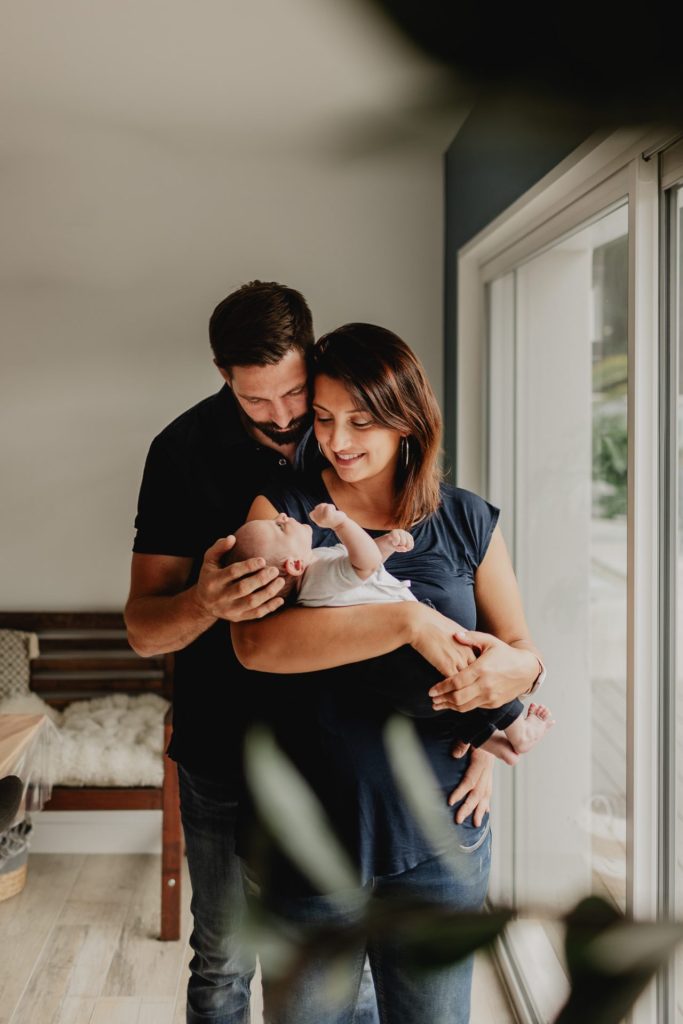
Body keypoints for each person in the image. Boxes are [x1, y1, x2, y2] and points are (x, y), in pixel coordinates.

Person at [123, 282, 524, 1024]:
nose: (289, 423)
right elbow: (154, 631)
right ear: (222, 378)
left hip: (371, 771)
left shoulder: (366, 443)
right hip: (228, 747)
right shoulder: (185, 454)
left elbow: (478, 619)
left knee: (369, 981)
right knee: (222, 964)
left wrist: (481, 733)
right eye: (255, 402)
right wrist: (203, 604)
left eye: (296, 397)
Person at [232, 322, 546, 1024]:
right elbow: (256, 647)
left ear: (408, 419)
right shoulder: (283, 513)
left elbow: (518, 647)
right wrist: (404, 622)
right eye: (323, 418)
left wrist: (508, 685)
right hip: (307, 837)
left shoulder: (465, 519)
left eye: (361, 420)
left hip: (439, 836)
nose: (337, 441)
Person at [228, 503, 553, 765]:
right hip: (410, 661)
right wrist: (341, 523)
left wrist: (384, 545)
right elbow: (364, 563)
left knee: (456, 697)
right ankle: (517, 729)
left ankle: (492, 742)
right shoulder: (321, 574)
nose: (283, 516)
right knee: (468, 667)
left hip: (395, 682)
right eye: (280, 527)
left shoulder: (310, 589)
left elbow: (362, 567)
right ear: (295, 566)